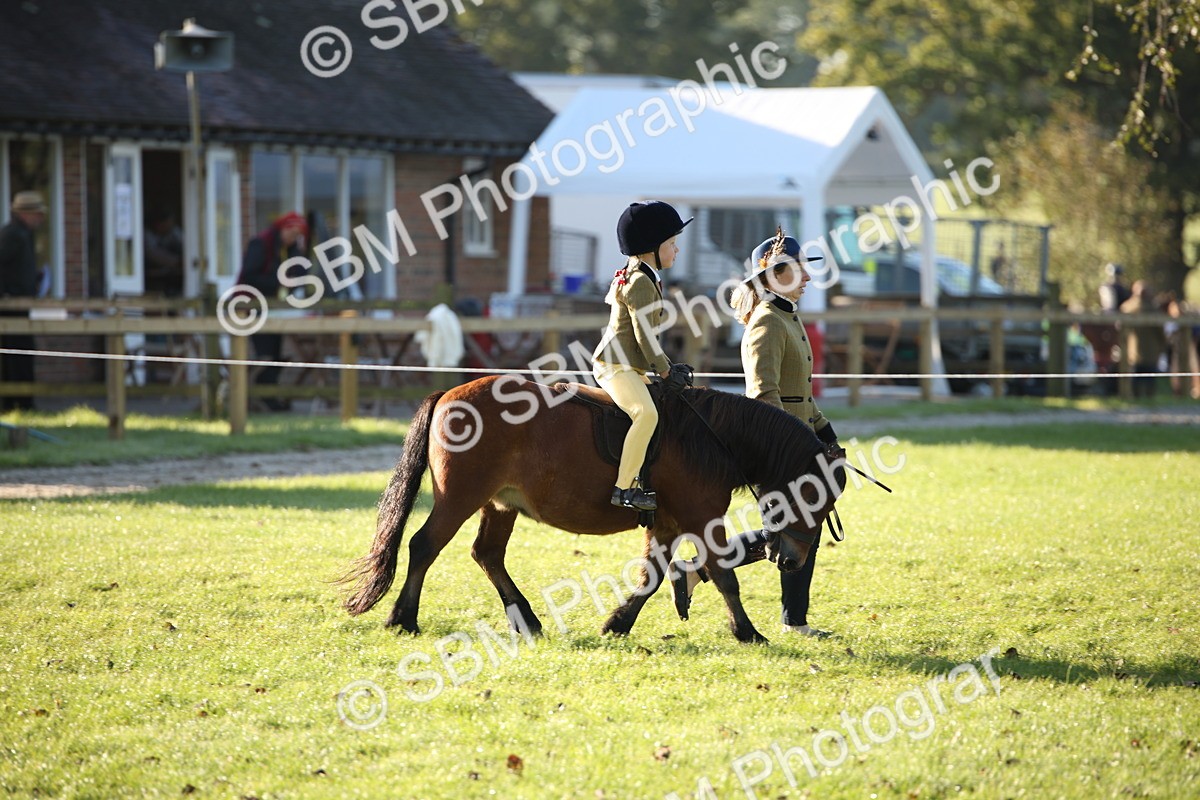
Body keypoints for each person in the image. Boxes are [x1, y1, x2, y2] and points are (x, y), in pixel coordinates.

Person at [670, 228, 838, 637]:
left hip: (795, 442)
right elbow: (765, 395)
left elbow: (799, 392)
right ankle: (790, 620)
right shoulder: (767, 322)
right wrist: (797, 446)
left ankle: (700, 571)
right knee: (792, 529)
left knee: (796, 529)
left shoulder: (788, 317)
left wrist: (824, 430)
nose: (809, 278)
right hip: (776, 450)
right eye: (800, 271)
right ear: (777, 274)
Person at [592, 201, 693, 511]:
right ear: (652, 247)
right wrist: (665, 371)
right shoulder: (639, 282)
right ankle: (624, 489)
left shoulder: (641, 275)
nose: (676, 251)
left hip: (629, 365)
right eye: (672, 244)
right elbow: (643, 334)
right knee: (646, 414)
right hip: (615, 365)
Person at [237, 211, 308, 410]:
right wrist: (277, 285)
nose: (294, 239)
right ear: (283, 229)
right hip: (252, 306)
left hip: (274, 310)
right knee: (265, 354)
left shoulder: (289, 248)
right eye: (292, 234)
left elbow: (299, 272)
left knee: (275, 353)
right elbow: (250, 275)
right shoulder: (260, 244)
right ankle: (262, 399)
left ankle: (270, 398)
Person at [0, 191, 47, 411]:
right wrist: (6, 293)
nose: (40, 219)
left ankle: (20, 402)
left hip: (20, 303)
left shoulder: (23, 235)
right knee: (15, 354)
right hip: (10, 307)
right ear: (26, 214)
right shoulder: (12, 235)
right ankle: (18, 403)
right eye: (38, 214)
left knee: (20, 352)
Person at [1119, 279, 1166, 398]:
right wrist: (1163, 344)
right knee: (1147, 378)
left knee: (1138, 378)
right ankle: (1144, 398)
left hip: (1136, 353)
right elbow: (1161, 331)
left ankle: (1138, 398)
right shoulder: (1153, 309)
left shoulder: (1129, 307)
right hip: (1147, 352)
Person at [143, 210, 184, 297]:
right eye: (166, 224)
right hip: (150, 277)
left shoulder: (172, 231)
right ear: (158, 223)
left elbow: (189, 245)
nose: (169, 226)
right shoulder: (147, 235)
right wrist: (177, 262)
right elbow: (153, 253)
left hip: (171, 275)